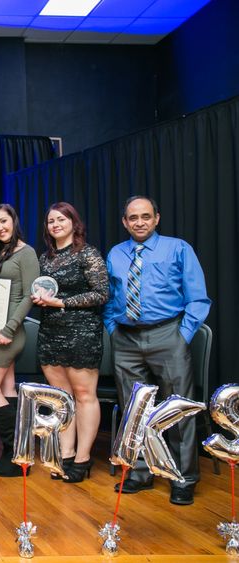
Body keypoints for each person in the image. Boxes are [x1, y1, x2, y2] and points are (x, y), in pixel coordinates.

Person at [104, 196, 210, 505]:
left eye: (145, 216)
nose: (139, 222)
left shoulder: (178, 248)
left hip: (167, 334)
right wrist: (113, 329)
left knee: (177, 410)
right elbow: (110, 297)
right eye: (133, 217)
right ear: (125, 222)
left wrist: (182, 336)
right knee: (134, 411)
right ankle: (139, 473)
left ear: (156, 218)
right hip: (126, 338)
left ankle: (183, 477)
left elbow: (198, 298)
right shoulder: (116, 253)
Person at [32, 202, 108, 483]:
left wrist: (61, 302)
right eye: (51, 221)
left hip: (82, 334)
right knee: (61, 399)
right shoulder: (44, 259)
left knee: (84, 395)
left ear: (74, 223)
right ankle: (66, 453)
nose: (55, 225)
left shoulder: (87, 254)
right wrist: (38, 299)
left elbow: (101, 293)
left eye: (61, 219)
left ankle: (83, 458)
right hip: (50, 333)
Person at [0, 203, 40, 478]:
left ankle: (16, 454)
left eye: (4, 221)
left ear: (14, 221)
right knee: (6, 388)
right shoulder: (0, 252)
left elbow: (30, 295)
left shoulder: (26, 253)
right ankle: (18, 454)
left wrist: (9, 328)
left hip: (7, 334)